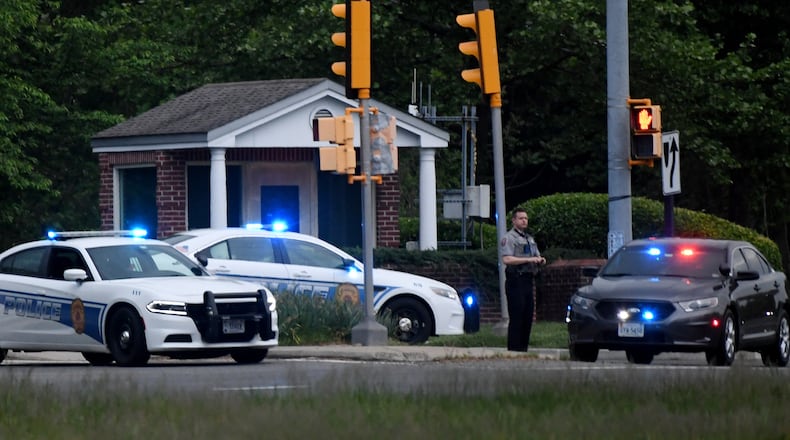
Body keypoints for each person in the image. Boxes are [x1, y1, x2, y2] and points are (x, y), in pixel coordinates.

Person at [500, 207, 546, 352]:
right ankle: (514, 349)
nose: (524, 221)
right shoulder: (509, 238)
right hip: (515, 280)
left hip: (528, 280)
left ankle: (523, 348)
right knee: (517, 315)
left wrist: (540, 260)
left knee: (527, 315)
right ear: (514, 220)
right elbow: (507, 259)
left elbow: (535, 255)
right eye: (521, 218)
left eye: (526, 218)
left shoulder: (529, 239)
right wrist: (528, 259)